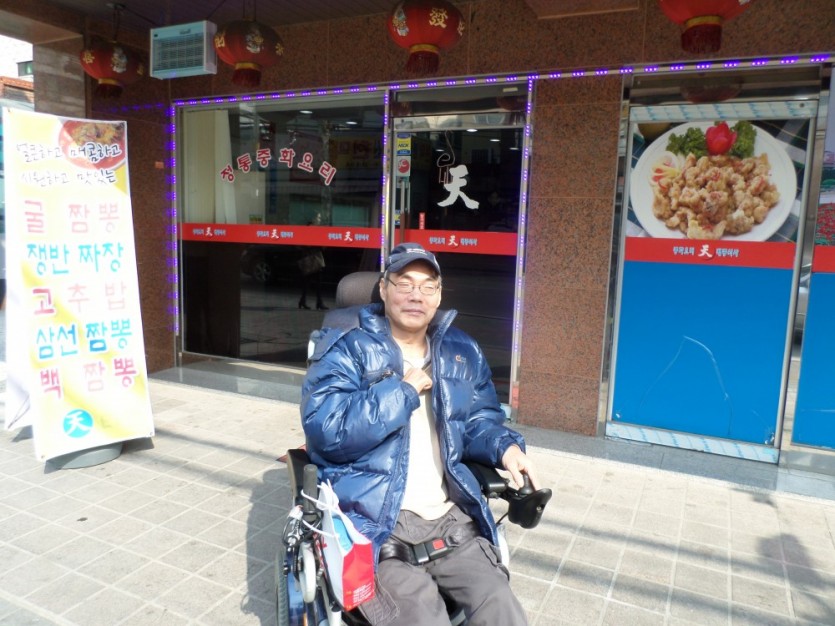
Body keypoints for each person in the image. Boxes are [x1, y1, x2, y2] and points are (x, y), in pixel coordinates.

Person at [301, 242, 539, 626]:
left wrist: (505, 448)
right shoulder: (345, 347)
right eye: (405, 283)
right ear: (383, 289)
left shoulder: (462, 350)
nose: (417, 295)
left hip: (450, 519)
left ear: (439, 296)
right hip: (376, 523)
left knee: (502, 609)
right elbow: (326, 431)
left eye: (428, 286)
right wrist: (403, 393)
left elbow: (479, 418)